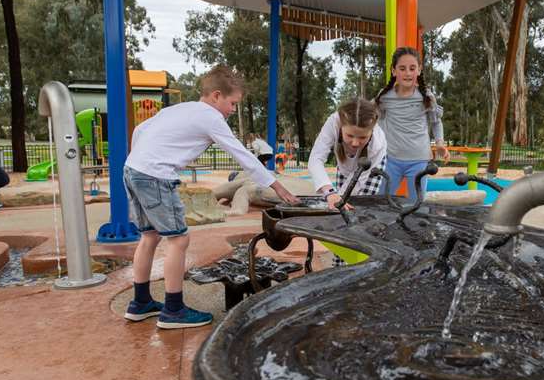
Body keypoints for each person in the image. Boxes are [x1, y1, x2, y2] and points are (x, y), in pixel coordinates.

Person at [123, 65, 299, 329]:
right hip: (154, 175)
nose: (232, 110)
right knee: (178, 240)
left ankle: (140, 302)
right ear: (216, 95)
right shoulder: (210, 117)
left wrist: (141, 160)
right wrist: (278, 187)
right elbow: (241, 154)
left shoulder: (178, 109)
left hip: (133, 169)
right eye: (232, 103)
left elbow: (140, 131)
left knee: (149, 236)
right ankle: (173, 310)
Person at [308, 97, 386, 266]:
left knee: (358, 214)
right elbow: (315, 159)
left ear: (371, 131)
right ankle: (340, 262)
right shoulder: (333, 122)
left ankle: (363, 261)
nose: (355, 143)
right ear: (341, 125)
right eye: (350, 135)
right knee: (340, 213)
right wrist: (331, 193)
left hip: (368, 171)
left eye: (363, 137)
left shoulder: (378, 143)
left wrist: (340, 199)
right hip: (344, 167)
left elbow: (358, 181)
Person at [374, 46, 449, 202]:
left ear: (419, 70)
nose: (407, 73)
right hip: (390, 160)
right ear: (394, 71)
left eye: (412, 68)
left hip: (419, 161)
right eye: (402, 68)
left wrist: (440, 143)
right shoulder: (385, 96)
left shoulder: (426, 96)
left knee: (417, 205)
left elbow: (436, 122)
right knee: (381, 202)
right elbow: (371, 118)